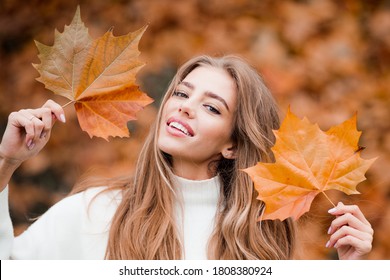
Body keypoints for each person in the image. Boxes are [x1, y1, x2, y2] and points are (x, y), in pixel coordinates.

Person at [0, 55, 373, 260]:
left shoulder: (258, 241)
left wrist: (351, 271)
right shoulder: (93, 213)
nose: (185, 108)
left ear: (233, 145)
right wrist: (6, 165)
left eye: (211, 107)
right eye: (181, 93)